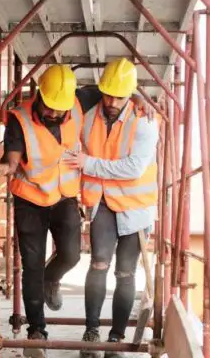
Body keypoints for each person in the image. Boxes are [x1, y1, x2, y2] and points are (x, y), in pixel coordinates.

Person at [0, 63, 154, 358]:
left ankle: (51, 279)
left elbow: (117, 93)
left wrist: (140, 98)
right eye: (50, 107)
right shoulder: (20, 118)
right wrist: (7, 165)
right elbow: (13, 156)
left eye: (60, 109)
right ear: (39, 95)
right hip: (30, 199)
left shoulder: (80, 100)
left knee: (72, 255)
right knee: (31, 267)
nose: (55, 114)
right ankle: (37, 333)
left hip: (66, 197)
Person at [61, 58, 160, 358]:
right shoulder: (89, 109)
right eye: (108, 95)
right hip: (102, 201)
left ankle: (115, 340)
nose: (113, 101)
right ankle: (92, 333)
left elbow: (133, 168)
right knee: (99, 264)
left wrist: (88, 164)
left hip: (135, 207)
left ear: (131, 93)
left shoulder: (144, 121)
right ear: (101, 90)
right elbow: (65, 97)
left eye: (120, 96)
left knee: (125, 273)